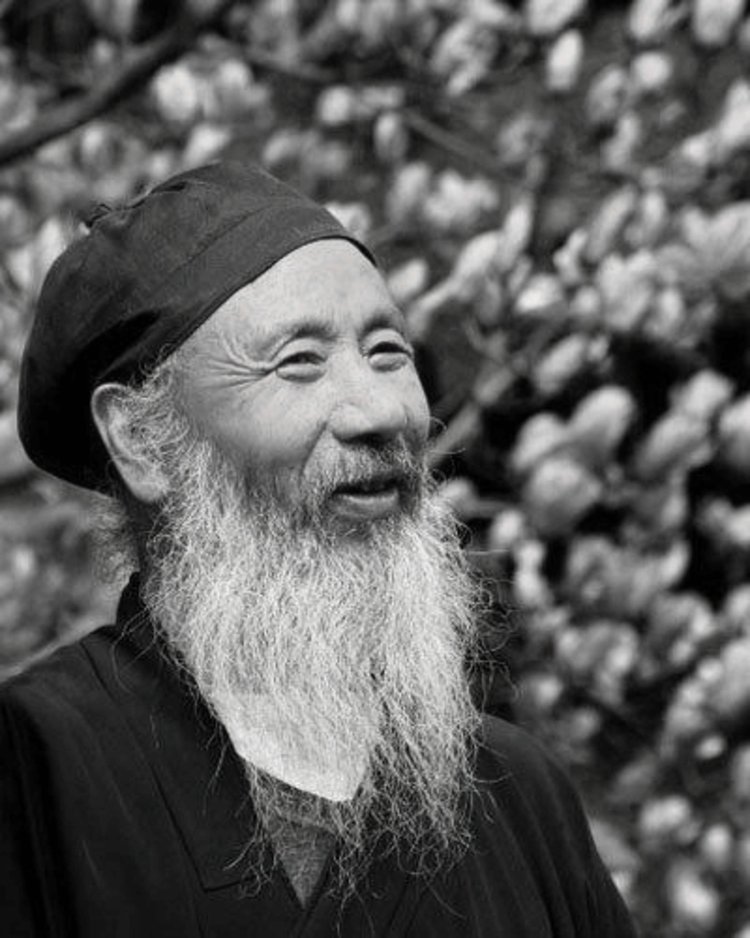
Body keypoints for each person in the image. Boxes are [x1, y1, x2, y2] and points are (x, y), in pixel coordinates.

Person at [0, 161, 637, 937]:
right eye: (299, 363)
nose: (379, 411)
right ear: (141, 440)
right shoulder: (35, 765)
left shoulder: (517, 792)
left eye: (389, 352)